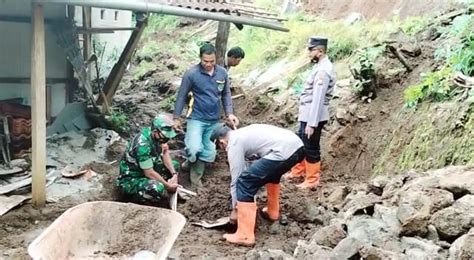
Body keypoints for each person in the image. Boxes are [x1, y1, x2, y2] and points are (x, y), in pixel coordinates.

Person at [211, 123, 304, 246]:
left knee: (244, 182)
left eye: (221, 147)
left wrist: (235, 209)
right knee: (272, 174)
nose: (224, 150)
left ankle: (244, 235)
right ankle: (272, 212)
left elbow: (237, 179)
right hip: (298, 147)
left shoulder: (234, 143)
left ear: (222, 142)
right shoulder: (243, 133)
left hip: (283, 150)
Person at [173, 43, 239, 187]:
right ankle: (195, 181)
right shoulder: (191, 74)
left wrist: (230, 113)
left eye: (212, 61)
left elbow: (226, 94)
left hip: (213, 120)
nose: (208, 64)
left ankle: (190, 165)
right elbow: (181, 96)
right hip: (196, 118)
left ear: (216, 58)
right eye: (205, 61)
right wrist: (176, 118)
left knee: (209, 152)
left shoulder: (222, 73)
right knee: (194, 148)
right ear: (200, 58)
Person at [285, 36, 335, 190]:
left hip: (314, 116)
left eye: (311, 50)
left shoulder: (323, 71)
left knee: (311, 146)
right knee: (301, 142)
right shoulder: (319, 66)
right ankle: (299, 171)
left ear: (320, 51)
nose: (308, 53)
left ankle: (312, 179)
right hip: (307, 114)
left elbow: (318, 99)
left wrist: (312, 124)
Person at [116, 113, 179, 203]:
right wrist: (167, 186)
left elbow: (165, 153)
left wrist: (174, 174)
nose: (166, 139)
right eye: (165, 136)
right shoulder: (142, 146)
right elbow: (149, 173)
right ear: (155, 132)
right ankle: (139, 200)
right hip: (132, 178)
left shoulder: (159, 138)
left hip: (148, 168)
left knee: (175, 165)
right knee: (157, 188)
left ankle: (163, 186)